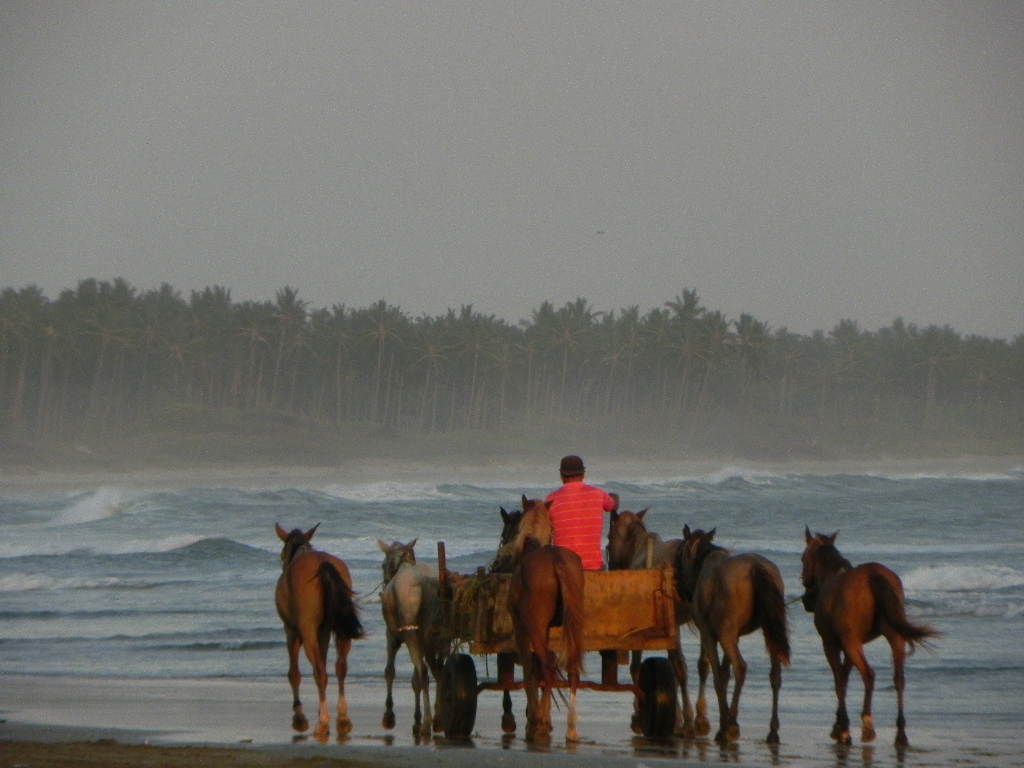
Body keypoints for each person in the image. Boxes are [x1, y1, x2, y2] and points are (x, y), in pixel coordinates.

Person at [545, 455, 619, 570]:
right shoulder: (598, 494)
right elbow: (612, 506)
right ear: (583, 475)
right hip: (592, 566)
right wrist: (615, 498)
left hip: (563, 567)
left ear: (561, 476)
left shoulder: (551, 499)